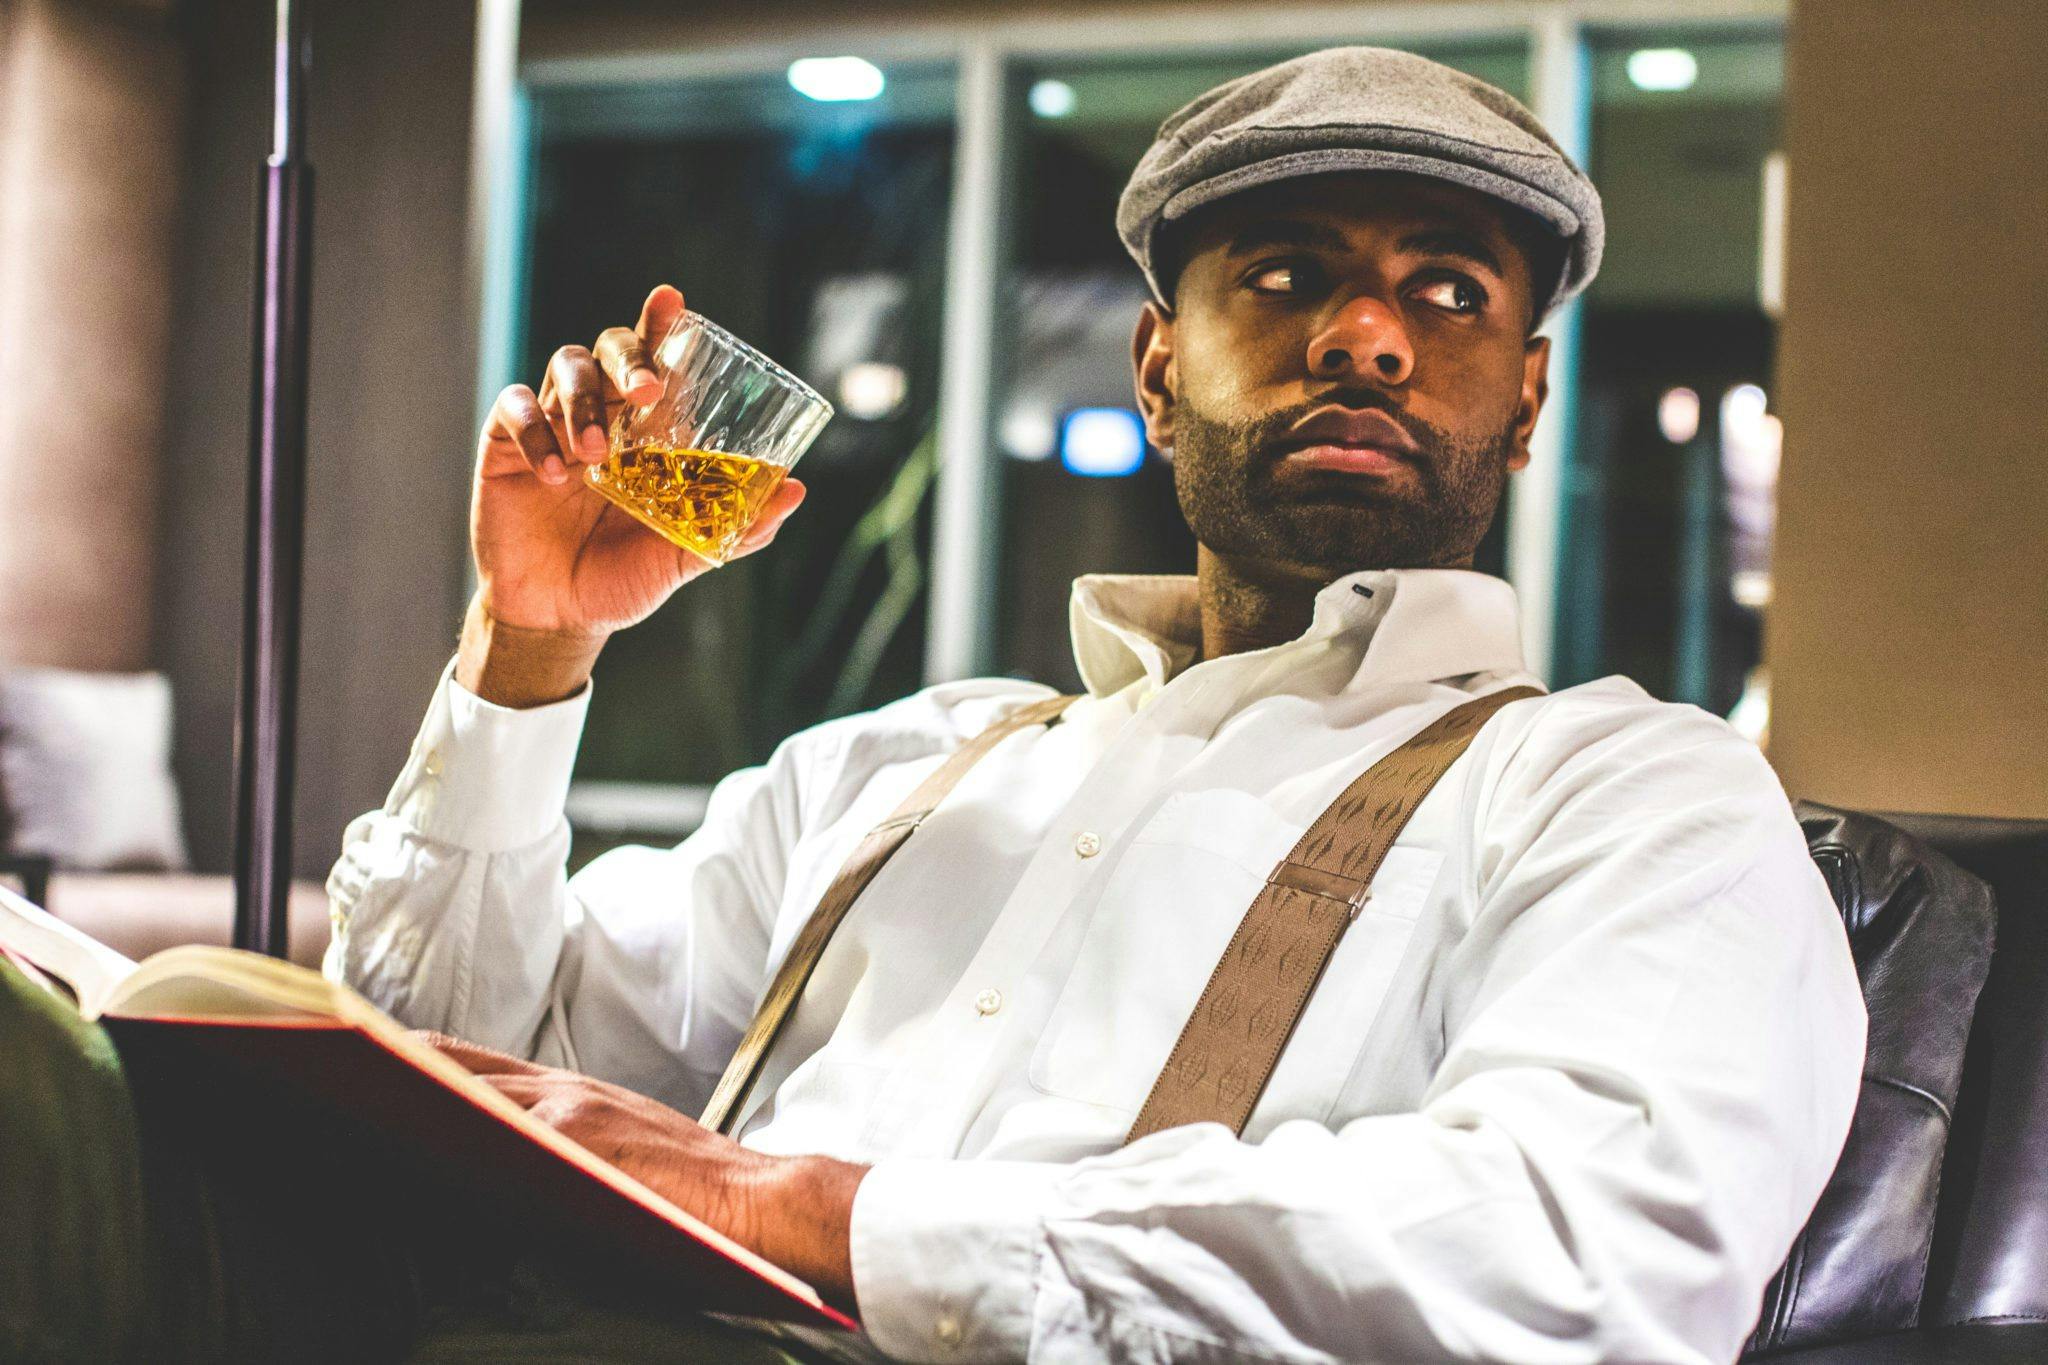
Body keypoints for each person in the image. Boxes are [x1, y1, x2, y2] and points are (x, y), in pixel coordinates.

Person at [4, 47, 1863, 1364]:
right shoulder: (906, 761)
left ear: (1526, 400)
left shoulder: (1625, 789)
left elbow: (1572, 1260)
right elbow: (441, 1043)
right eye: (1283, 278)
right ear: (1157, 365)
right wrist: (528, 648)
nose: (1364, 334)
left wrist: (809, 1212)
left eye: (1443, 294)